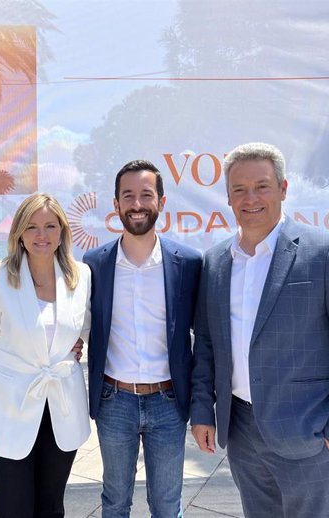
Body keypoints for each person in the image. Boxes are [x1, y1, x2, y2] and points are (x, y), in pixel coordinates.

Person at [190, 142, 329, 518]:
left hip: (310, 435)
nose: (251, 198)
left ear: (283, 189)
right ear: (228, 197)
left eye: (262, 186)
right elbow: (207, 344)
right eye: (239, 189)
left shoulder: (328, 252)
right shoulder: (216, 262)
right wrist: (202, 411)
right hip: (242, 434)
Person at [83, 159, 202, 517]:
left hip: (168, 402)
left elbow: (205, 339)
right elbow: (78, 320)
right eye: (128, 196)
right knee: (115, 502)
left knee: (167, 506)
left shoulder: (189, 264)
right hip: (113, 400)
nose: (137, 204)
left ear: (162, 202)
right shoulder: (93, 264)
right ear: (116, 204)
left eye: (146, 195)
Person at [0, 193, 91, 518]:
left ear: (63, 231)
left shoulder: (80, 276)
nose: (42, 235)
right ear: (19, 232)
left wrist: (73, 343)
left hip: (61, 411)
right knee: (12, 508)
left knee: (51, 508)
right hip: (7, 413)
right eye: (32, 226)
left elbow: (84, 327)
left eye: (51, 226)